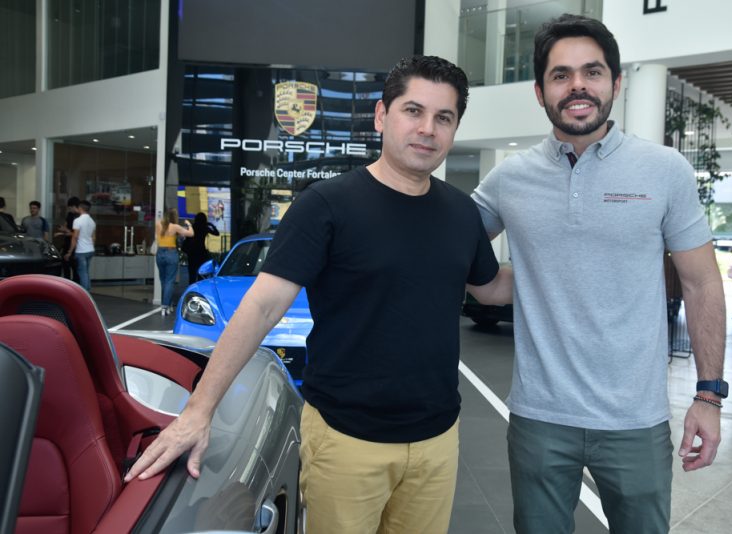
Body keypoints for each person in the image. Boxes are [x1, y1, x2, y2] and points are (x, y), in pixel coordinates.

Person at [125, 55, 512, 534]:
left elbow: (491, 288)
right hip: (346, 440)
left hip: (437, 440)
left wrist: (571, 261)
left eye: (443, 117)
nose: (427, 129)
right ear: (381, 115)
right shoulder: (327, 205)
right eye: (413, 111)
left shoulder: (460, 213)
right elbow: (262, 307)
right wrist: (197, 412)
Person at [472, 14, 726, 533]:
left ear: (616, 83)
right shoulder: (510, 178)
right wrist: (497, 285)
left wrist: (708, 396)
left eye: (592, 72)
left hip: (635, 420)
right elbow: (444, 241)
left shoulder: (664, 171)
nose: (578, 86)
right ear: (540, 92)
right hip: (540, 418)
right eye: (560, 75)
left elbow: (702, 283)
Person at [155, 208, 194, 315]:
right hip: (171, 253)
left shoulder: (158, 224)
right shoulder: (175, 227)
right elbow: (191, 234)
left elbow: (157, 238)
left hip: (160, 253)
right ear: (174, 217)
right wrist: (189, 224)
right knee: (170, 281)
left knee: (164, 280)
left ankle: (168, 304)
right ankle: (165, 306)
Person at [64, 200, 96, 291]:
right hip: (90, 250)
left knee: (82, 272)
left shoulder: (77, 220)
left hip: (81, 251)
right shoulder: (92, 221)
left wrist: (69, 252)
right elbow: (93, 237)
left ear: (80, 208)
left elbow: (75, 237)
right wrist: (91, 247)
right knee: (86, 272)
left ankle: (85, 292)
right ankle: (88, 291)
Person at [183, 211, 219, 284]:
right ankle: (199, 286)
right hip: (201, 252)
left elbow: (187, 238)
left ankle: (191, 286)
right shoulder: (204, 228)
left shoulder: (192, 227)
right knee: (201, 272)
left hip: (192, 252)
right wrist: (211, 225)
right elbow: (216, 233)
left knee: (192, 273)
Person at [54, 196, 81, 280]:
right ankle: (67, 282)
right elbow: (66, 227)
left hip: (75, 244)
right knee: (65, 264)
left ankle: (76, 284)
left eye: (70, 208)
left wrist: (68, 232)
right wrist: (62, 231)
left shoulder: (80, 217)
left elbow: (77, 234)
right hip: (67, 242)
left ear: (74, 206)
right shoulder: (70, 215)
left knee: (75, 267)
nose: (69, 209)